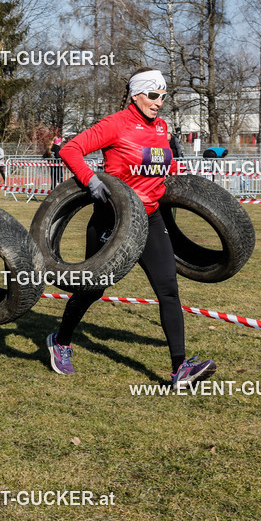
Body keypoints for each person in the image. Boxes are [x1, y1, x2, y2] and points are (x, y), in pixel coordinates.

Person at [45, 67, 216, 388]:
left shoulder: (162, 127)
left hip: (150, 218)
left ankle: (180, 367)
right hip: (113, 219)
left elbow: (165, 166)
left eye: (163, 95)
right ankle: (61, 340)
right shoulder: (115, 124)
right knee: (93, 288)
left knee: (168, 289)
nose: (159, 102)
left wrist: (191, 179)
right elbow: (69, 149)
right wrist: (90, 180)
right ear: (136, 95)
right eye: (153, 95)